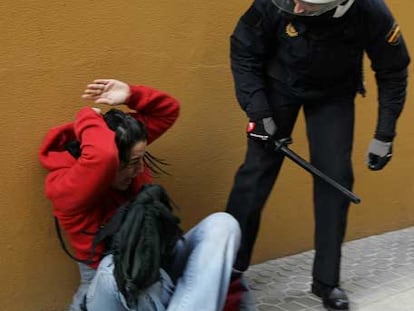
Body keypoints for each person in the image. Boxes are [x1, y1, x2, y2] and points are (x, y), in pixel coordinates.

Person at [224, 0, 410, 310]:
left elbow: (393, 71)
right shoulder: (277, 2)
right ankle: (229, 270)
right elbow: (243, 49)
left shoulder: (371, 11)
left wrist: (384, 134)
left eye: (307, 5)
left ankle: (327, 282)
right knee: (254, 175)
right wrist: (256, 108)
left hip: (333, 96)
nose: (295, 8)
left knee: (335, 177)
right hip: (278, 87)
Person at [39, 78, 241, 311]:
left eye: (141, 159)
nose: (140, 170)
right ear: (113, 162)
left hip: (156, 265)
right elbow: (103, 157)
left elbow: (168, 111)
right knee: (119, 269)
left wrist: (130, 95)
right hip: (106, 289)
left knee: (223, 224)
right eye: (132, 163)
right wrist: (87, 115)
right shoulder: (65, 187)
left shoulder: (128, 152)